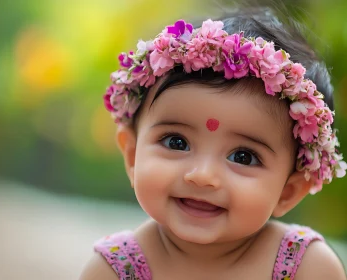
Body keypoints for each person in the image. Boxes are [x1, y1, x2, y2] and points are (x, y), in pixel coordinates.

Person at [80, 6, 347, 280]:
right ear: (133, 156)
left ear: (287, 192)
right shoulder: (113, 270)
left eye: (243, 157)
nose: (203, 176)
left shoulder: (307, 268)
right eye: (176, 142)